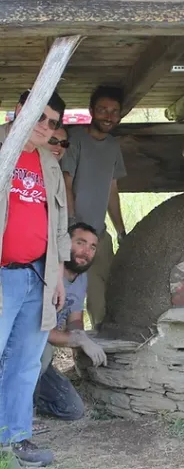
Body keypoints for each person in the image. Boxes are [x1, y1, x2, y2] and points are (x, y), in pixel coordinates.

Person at [0, 89, 70, 467]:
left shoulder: (49, 161)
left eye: (53, 122)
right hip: (2, 275)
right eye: (39, 117)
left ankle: (15, 440)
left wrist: (56, 275)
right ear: (18, 110)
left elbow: (59, 225)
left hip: (37, 276)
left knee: (26, 363)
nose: (45, 127)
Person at [61, 85, 127, 330]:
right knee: (63, 295)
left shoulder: (113, 146)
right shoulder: (75, 139)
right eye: (102, 110)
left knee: (102, 296)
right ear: (91, 111)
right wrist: (71, 225)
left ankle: (99, 345)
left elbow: (112, 189)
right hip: (72, 234)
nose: (108, 116)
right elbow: (66, 183)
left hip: (99, 236)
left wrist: (120, 230)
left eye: (114, 111)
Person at [35, 222, 106, 425]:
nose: (86, 251)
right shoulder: (46, 274)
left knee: (72, 409)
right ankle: (19, 413)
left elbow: (75, 318)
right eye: (80, 243)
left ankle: (25, 398)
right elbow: (40, 331)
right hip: (23, 352)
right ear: (65, 244)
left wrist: (80, 335)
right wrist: (77, 340)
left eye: (92, 247)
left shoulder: (81, 278)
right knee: (44, 351)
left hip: (40, 361)